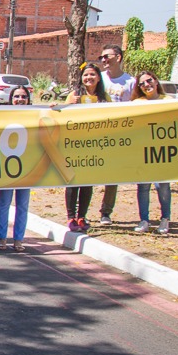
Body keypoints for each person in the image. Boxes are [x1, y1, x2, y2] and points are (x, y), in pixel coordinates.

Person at [53, 62, 109, 232]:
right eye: (86, 75)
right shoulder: (74, 95)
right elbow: (60, 114)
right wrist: (67, 105)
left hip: (93, 146)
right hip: (74, 145)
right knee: (72, 181)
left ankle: (82, 216)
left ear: (99, 77)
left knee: (87, 182)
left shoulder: (104, 98)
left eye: (92, 75)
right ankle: (71, 217)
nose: (89, 78)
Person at [97, 44, 136, 226]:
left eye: (107, 56)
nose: (104, 60)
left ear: (118, 57)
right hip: (95, 133)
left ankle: (106, 212)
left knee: (112, 176)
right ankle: (79, 213)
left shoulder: (130, 82)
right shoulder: (99, 79)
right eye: (101, 57)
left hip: (117, 134)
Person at [131, 71, 173, 234]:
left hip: (162, 150)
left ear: (156, 81)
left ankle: (165, 219)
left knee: (162, 186)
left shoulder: (169, 101)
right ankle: (144, 221)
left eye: (149, 81)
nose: (146, 85)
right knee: (143, 187)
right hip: (143, 150)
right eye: (142, 84)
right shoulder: (137, 103)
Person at [0, 85, 32, 252]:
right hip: (7, 167)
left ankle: (19, 239)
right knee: (4, 203)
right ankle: (2, 238)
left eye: (23, 97)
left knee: (22, 205)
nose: (20, 100)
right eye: (17, 96)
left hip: (27, 167)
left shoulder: (34, 115)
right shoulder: (3, 115)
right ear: (11, 99)